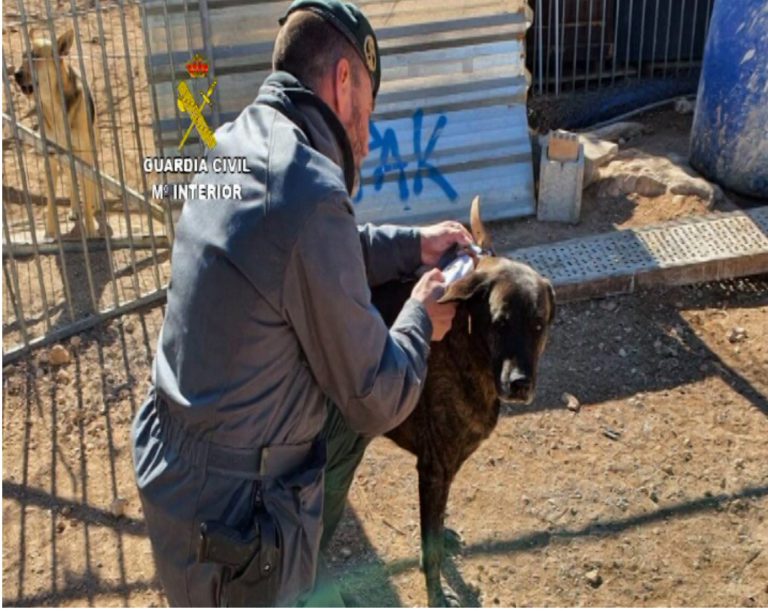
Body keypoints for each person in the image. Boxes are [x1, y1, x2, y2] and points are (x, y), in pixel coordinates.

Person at [131, 0, 473, 606]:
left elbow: (311, 255)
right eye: (368, 115)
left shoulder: (236, 143)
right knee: (360, 394)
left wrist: (413, 245)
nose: (366, 142)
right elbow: (378, 396)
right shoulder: (307, 188)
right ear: (342, 81)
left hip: (182, 471)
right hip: (235, 522)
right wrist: (421, 312)